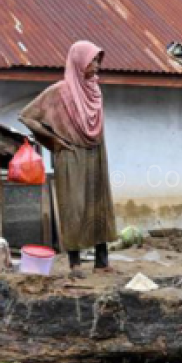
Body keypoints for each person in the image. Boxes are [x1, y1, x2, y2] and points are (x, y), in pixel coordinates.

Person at [20, 41, 117, 278]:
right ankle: (75, 264)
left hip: (96, 152)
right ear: (78, 62)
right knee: (73, 206)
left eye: (97, 60)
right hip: (71, 155)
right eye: (92, 60)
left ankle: (101, 262)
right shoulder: (59, 91)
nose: (96, 65)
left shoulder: (95, 90)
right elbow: (27, 116)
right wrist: (54, 141)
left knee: (98, 204)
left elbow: (95, 125)